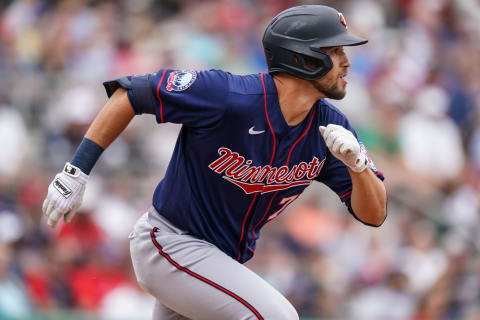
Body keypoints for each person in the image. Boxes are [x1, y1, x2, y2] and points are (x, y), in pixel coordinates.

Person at [42, 5, 387, 320]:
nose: (347, 61)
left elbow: (374, 214)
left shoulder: (331, 128)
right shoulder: (228, 96)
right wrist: (76, 171)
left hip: (215, 264)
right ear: (304, 58)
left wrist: (358, 167)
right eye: (336, 51)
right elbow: (131, 94)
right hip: (169, 243)